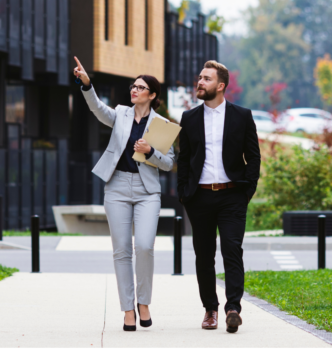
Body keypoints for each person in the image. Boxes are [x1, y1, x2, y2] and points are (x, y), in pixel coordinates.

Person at [73, 56, 175, 332]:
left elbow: (169, 163)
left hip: (147, 191)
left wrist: (150, 152)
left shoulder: (163, 124)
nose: (134, 89)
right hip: (116, 186)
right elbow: (97, 109)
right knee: (121, 252)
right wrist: (86, 84)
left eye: (141, 87)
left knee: (144, 246)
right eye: (133, 86)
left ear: (152, 95)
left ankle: (144, 302)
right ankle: (128, 310)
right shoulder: (120, 113)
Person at [177, 60, 261, 333]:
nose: (200, 82)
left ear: (220, 86)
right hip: (199, 197)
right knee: (204, 255)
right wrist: (184, 194)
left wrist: (246, 190)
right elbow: (185, 158)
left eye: (206, 79)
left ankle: (233, 308)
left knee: (232, 250)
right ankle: (210, 309)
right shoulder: (189, 118)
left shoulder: (242, 116)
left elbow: (254, 157)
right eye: (200, 77)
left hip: (232, 196)